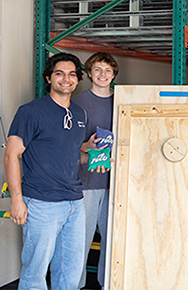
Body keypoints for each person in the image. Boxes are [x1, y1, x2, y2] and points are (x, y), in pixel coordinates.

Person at [4, 52, 88, 290]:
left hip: (74, 203)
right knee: (35, 272)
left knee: (70, 273)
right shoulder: (31, 111)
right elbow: (11, 154)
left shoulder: (80, 113)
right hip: (42, 203)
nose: (66, 79)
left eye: (72, 74)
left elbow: (72, 155)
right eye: (59, 73)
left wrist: (94, 158)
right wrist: (17, 200)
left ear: (78, 78)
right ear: (49, 78)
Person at [73, 52, 119, 290]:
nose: (103, 75)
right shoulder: (78, 103)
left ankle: (108, 283)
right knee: (82, 239)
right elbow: (68, 144)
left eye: (108, 71)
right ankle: (76, 285)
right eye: (98, 70)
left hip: (116, 183)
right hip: (88, 183)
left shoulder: (123, 101)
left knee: (113, 239)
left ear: (113, 75)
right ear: (89, 73)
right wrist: (87, 146)